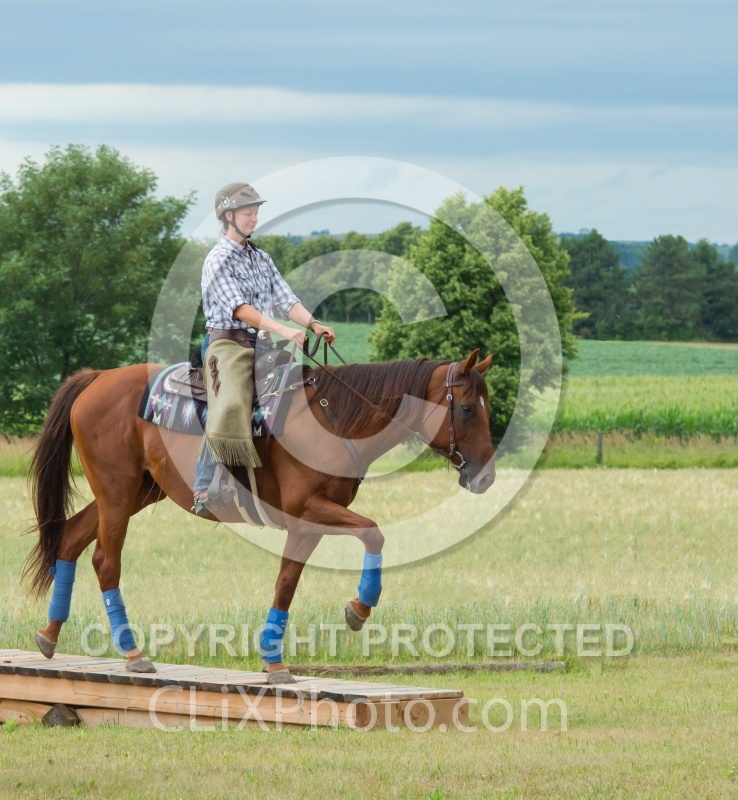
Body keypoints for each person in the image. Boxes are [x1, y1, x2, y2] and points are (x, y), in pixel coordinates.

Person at [193, 182, 335, 514]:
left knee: (303, 389)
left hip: (263, 345)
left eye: (256, 212)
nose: (254, 218)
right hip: (227, 344)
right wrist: (282, 329)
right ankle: (203, 486)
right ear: (228, 216)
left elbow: (287, 300)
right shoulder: (218, 259)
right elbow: (239, 309)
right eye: (247, 213)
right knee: (231, 400)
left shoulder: (261, 258)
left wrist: (313, 324)